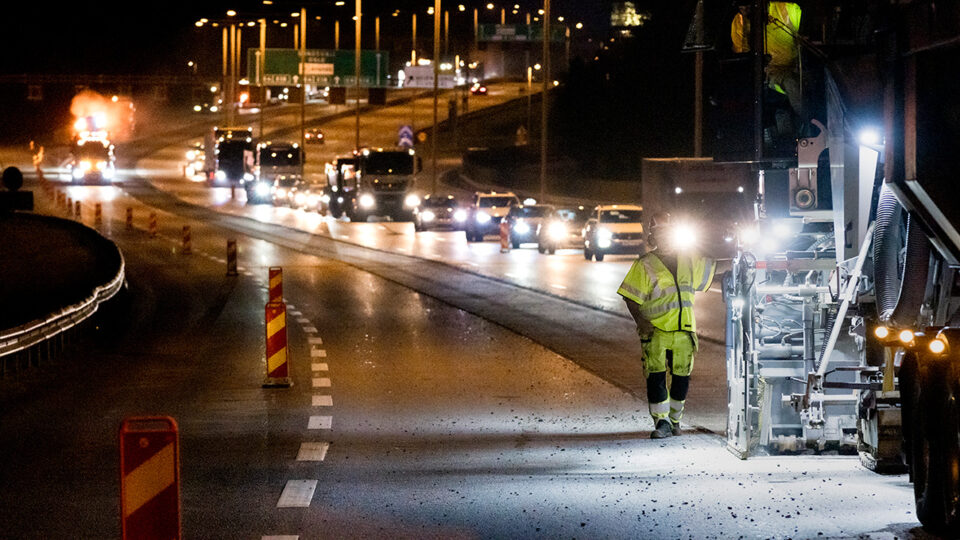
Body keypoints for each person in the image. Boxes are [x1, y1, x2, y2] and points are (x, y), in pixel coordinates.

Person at [617, 212, 716, 439]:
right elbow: (630, 297)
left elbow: (713, 269)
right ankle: (661, 423)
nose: (667, 238)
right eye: (661, 234)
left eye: (670, 233)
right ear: (654, 237)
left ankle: (675, 420)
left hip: (683, 330)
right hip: (657, 331)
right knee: (656, 376)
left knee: (682, 377)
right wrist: (642, 321)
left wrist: (742, 259)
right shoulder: (645, 265)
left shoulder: (689, 260)